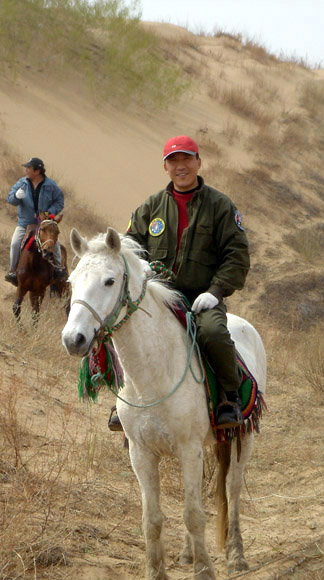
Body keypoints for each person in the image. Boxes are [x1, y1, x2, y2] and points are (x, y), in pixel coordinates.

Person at [108, 135, 250, 431]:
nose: (180, 166)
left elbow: (236, 256)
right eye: (173, 161)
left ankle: (228, 397)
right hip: (157, 296)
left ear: (198, 162)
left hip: (202, 296)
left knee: (213, 333)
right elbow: (129, 245)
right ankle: (125, 401)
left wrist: (216, 291)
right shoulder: (150, 207)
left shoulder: (220, 205)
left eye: (186, 159)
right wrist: (140, 263)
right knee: (122, 330)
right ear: (165, 167)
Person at [5, 157, 66, 286]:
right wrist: (16, 197)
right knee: (15, 243)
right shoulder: (22, 183)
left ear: (37, 171)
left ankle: (59, 269)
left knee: (54, 244)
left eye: (29, 168)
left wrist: (49, 213)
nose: (26, 170)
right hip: (25, 223)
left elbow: (59, 201)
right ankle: (12, 271)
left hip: (44, 223)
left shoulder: (51, 186)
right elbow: (10, 199)